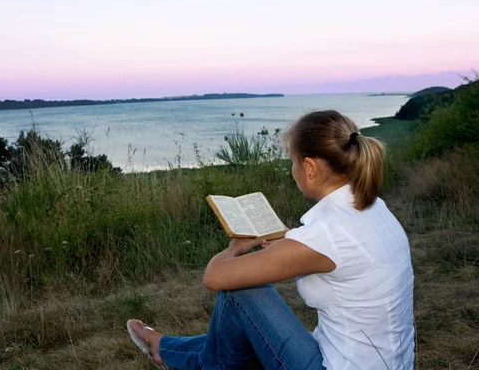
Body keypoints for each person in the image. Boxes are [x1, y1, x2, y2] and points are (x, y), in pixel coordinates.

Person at [127, 110, 415, 369]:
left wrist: (235, 248)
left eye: (293, 161)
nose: (293, 170)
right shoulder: (373, 208)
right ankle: (168, 349)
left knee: (239, 290)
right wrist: (290, 240)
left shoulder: (326, 234)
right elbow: (339, 254)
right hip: (386, 362)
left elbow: (214, 276)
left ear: (310, 168)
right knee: (244, 320)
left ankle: (187, 359)